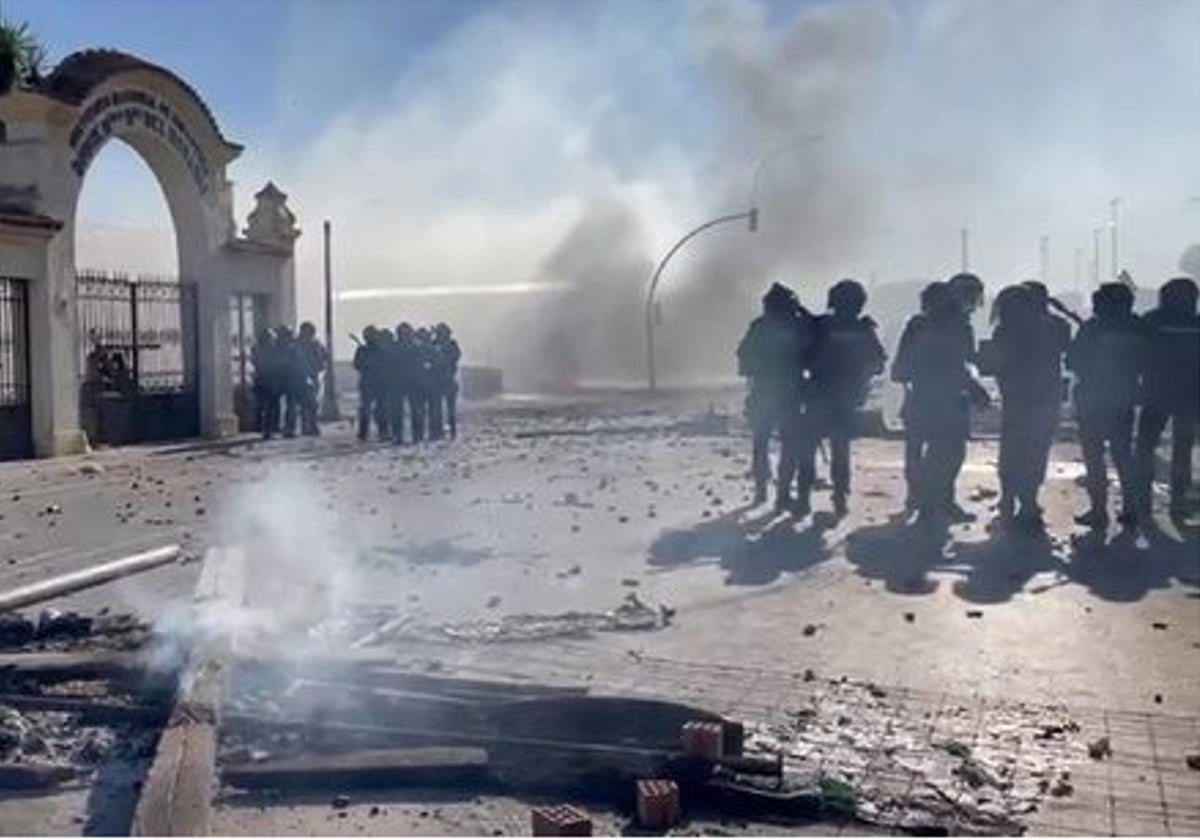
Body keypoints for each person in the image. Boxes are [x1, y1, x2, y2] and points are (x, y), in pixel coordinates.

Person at [891, 281, 989, 527]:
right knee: (947, 454)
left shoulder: (918, 325)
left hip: (922, 399)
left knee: (922, 453)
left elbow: (900, 368)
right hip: (947, 401)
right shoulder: (958, 327)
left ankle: (925, 500)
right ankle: (936, 502)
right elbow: (960, 365)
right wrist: (976, 389)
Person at [983, 282, 1071, 529]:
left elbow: (996, 363)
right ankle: (1027, 501)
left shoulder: (1005, 329)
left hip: (1016, 397)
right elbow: (1065, 345)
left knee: (1012, 451)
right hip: (1044, 396)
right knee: (1035, 451)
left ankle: (1009, 499)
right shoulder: (1054, 326)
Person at [798, 279, 886, 517]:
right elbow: (878, 363)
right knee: (840, 449)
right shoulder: (862, 329)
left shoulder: (820, 326)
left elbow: (802, 357)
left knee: (808, 449)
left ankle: (804, 498)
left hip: (820, 395)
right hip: (844, 398)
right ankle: (839, 497)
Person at [1065, 282, 1143, 529]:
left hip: (1092, 400)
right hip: (1123, 398)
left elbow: (1073, 361)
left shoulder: (1092, 328)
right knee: (1123, 456)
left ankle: (1098, 511)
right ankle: (1132, 509)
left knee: (1094, 458)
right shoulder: (1138, 327)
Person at [736, 282, 813, 512]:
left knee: (761, 442)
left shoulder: (759, 327)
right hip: (789, 393)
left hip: (763, 392)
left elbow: (743, 357)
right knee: (789, 445)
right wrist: (802, 309)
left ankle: (761, 491)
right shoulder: (798, 325)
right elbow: (816, 333)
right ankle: (782, 495)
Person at [1134, 276, 1199, 520]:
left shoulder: (1151, 321)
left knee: (1145, 447)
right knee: (1182, 449)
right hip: (1190, 396)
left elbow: (1137, 355)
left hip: (1156, 393)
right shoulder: (1197, 323)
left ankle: (1142, 502)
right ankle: (1178, 502)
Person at [294, 321, 327, 437]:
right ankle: (307, 426)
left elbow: (323, 357)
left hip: (313, 375)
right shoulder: (296, 344)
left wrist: (320, 366)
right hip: (299, 377)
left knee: (312, 403)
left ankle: (311, 426)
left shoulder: (316, 344)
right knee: (306, 403)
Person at [353, 326, 384, 442]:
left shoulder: (381, 350)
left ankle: (382, 431)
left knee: (380, 409)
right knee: (365, 409)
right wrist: (366, 365)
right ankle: (363, 433)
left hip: (379, 382)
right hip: (367, 382)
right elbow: (356, 364)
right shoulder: (362, 350)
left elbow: (385, 365)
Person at [250, 327, 282, 439]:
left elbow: (254, 362)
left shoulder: (255, 348)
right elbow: (277, 365)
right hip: (269, 381)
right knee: (270, 407)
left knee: (262, 407)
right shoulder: (273, 349)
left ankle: (264, 428)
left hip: (260, 380)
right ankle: (268, 430)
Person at [433, 323, 462, 440]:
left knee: (450, 410)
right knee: (437, 410)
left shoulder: (451, 345)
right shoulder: (434, 344)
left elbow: (455, 356)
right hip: (437, 381)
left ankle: (452, 431)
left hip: (448, 380)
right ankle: (439, 432)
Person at [392, 323, 419, 444]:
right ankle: (398, 435)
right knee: (397, 411)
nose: (404, 336)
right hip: (399, 382)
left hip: (411, 382)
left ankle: (416, 435)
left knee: (415, 410)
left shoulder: (415, 348)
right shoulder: (396, 348)